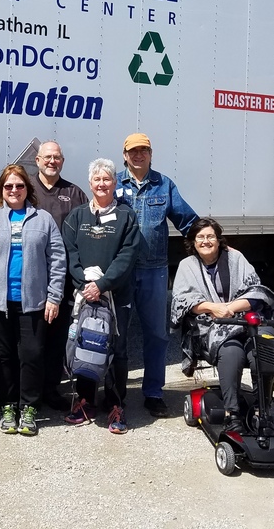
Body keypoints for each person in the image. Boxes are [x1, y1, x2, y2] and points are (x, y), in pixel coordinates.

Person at [0, 164, 65, 436]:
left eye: (19, 185)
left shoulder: (42, 219)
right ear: (1, 189)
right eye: (8, 186)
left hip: (33, 302)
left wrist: (54, 297)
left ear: (27, 189)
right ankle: (8, 405)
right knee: (3, 356)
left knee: (32, 355)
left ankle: (30, 407)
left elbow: (57, 259)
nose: (14, 190)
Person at [170, 218, 274, 432]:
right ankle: (233, 413)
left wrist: (231, 307)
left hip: (242, 319)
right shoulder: (187, 266)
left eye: (210, 236)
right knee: (232, 352)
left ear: (218, 239)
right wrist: (213, 308)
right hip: (211, 326)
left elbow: (256, 292)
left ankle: (262, 410)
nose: (205, 241)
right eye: (200, 237)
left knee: (265, 347)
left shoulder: (236, 258)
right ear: (193, 242)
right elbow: (182, 302)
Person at [116, 132, 198, 418]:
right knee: (117, 334)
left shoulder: (164, 185)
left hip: (154, 270)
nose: (138, 156)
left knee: (156, 335)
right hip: (121, 272)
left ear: (151, 154)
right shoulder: (113, 183)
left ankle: (153, 392)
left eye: (144, 151)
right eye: (133, 151)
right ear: (124, 155)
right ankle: (117, 394)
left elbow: (188, 221)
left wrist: (213, 244)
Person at [62, 158, 141, 434]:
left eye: (107, 178)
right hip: (85, 294)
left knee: (117, 350)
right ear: (90, 183)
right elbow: (69, 254)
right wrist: (86, 284)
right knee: (85, 345)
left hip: (115, 296)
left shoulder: (127, 217)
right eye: (97, 179)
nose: (102, 183)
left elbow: (128, 255)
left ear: (115, 182)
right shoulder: (77, 217)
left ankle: (116, 404)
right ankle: (85, 401)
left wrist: (104, 284)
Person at [31, 140, 88, 412]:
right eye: (47, 157)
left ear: (62, 161)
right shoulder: (26, 190)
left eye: (57, 157)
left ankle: (50, 389)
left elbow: (86, 233)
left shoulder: (74, 193)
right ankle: (28, 391)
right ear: (38, 160)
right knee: (31, 338)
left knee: (56, 337)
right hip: (30, 277)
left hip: (62, 279)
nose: (52, 161)